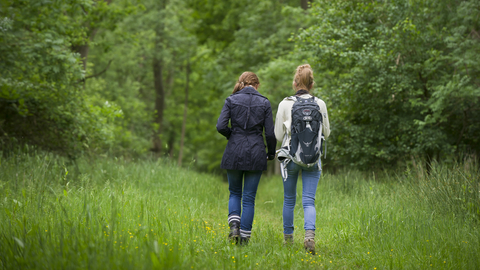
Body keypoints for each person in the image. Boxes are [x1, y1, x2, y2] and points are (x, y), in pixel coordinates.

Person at [274, 64, 330, 254]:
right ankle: (309, 238)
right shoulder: (320, 104)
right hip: (313, 159)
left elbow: (279, 136)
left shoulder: (284, 103)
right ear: (312, 84)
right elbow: (327, 133)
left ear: (295, 83)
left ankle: (288, 240)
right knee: (308, 201)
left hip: (290, 158)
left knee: (289, 200)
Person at [216, 72, 276, 245]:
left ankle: (234, 226)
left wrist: (231, 135)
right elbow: (270, 134)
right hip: (256, 153)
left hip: (234, 150)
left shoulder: (231, 100)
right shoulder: (264, 102)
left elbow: (220, 126)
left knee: (235, 192)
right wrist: (271, 153)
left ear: (242, 83)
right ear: (256, 85)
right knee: (249, 198)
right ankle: (244, 240)